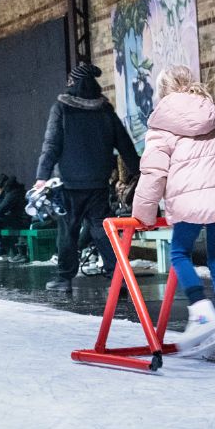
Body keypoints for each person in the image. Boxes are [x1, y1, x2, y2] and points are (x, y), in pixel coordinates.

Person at [132, 66, 215, 360]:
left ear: (163, 92)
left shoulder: (162, 125)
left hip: (188, 201)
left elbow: (154, 172)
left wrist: (144, 215)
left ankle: (201, 313)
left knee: (179, 254)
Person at [35, 62, 140, 293]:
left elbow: (51, 144)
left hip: (70, 184)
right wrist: (138, 172)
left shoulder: (61, 108)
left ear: (73, 83)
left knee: (68, 231)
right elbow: (125, 144)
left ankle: (64, 279)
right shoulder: (105, 110)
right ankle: (118, 278)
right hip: (98, 182)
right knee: (102, 230)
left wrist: (42, 177)